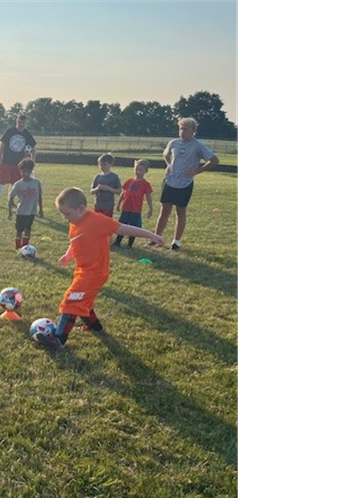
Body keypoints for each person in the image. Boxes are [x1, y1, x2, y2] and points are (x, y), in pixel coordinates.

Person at [39, 187, 164, 349]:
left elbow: (123, 228)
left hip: (94, 273)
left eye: (68, 214)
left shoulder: (97, 220)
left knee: (72, 300)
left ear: (81, 209)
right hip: (83, 270)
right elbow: (76, 240)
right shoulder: (75, 221)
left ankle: (59, 339)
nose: (66, 218)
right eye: (63, 215)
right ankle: (95, 326)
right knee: (84, 301)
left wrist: (151, 235)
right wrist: (68, 255)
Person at [154, 117, 220, 250]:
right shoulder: (173, 143)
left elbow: (214, 160)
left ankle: (176, 242)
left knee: (180, 212)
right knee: (164, 211)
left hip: (185, 183)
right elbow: (165, 154)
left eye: (186, 129)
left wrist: (197, 170)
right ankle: (156, 238)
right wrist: (168, 165)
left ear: (193, 131)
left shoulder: (198, 145)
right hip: (169, 181)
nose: (182, 131)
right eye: (180, 128)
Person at [0, 114, 36, 208]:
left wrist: (32, 161)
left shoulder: (27, 135)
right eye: (19, 122)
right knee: (1, 181)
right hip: (6, 161)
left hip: (19, 164)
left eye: (23, 122)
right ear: (16, 122)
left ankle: (10, 202)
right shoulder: (10, 131)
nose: (21, 124)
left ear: (26, 123)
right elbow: (2, 144)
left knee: (14, 183)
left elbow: (34, 148)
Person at [113, 159, 155, 248]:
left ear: (145, 171)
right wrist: (119, 203)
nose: (138, 172)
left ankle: (130, 244)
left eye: (141, 170)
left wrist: (150, 208)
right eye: (136, 169)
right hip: (126, 208)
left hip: (135, 209)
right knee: (122, 225)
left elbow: (148, 197)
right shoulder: (129, 181)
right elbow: (123, 193)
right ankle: (117, 242)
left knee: (133, 227)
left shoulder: (145, 184)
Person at [7, 159, 45, 250]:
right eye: (23, 171)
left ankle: (24, 247)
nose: (25, 173)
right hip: (21, 212)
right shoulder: (18, 184)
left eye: (28, 171)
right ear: (20, 171)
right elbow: (11, 197)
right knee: (19, 230)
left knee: (28, 228)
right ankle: (17, 247)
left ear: (31, 171)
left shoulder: (36, 183)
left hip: (31, 211)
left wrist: (41, 209)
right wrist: (10, 211)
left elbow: (39, 196)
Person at [90, 153, 122, 218]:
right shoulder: (97, 177)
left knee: (106, 222)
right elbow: (91, 191)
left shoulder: (114, 177)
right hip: (98, 204)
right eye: (100, 165)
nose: (102, 167)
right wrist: (97, 188)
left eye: (104, 164)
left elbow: (119, 191)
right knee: (97, 221)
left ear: (110, 164)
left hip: (108, 205)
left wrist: (109, 189)